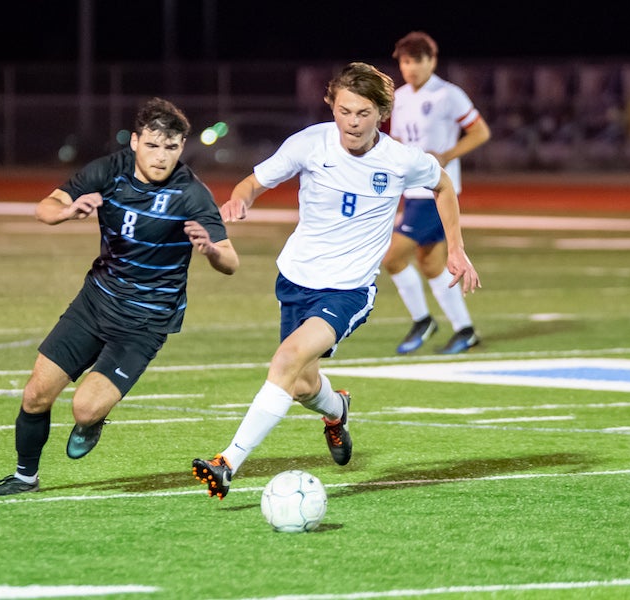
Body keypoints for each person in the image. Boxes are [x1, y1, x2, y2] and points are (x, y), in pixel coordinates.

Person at [192, 62, 480, 500]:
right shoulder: (309, 144)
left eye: (363, 113)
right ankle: (337, 409)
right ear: (332, 106)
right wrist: (239, 201)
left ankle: (228, 462)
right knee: (304, 383)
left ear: (382, 114)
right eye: (344, 110)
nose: (352, 122)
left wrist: (455, 248)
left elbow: (443, 185)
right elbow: (253, 182)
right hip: (295, 279)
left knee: (286, 359)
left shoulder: (400, 159)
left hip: (348, 291)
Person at [0, 97, 239, 496]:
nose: (161, 157)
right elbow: (45, 208)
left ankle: (93, 419)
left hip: (145, 321)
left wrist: (210, 249)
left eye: (171, 148)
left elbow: (231, 262)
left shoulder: (191, 193)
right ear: (135, 141)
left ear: (181, 148)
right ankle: (24, 477)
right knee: (36, 394)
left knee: (84, 407)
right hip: (95, 302)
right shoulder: (109, 170)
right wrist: (68, 211)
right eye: (153, 145)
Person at [382, 31, 491, 355]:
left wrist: (447, 155)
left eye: (417, 60)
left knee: (393, 257)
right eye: (404, 61)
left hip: (436, 191)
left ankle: (423, 319)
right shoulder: (399, 97)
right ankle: (465, 330)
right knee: (430, 264)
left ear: (432, 61)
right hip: (412, 191)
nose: (410, 67)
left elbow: (480, 132)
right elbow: (400, 142)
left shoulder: (448, 94)